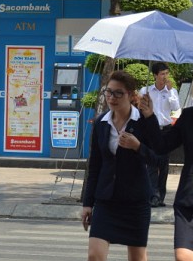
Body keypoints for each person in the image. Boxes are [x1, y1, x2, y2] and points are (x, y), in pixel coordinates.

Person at [81, 70, 160, 261]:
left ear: (132, 95)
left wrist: (138, 146)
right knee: (94, 255)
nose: (112, 98)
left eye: (118, 93)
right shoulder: (101, 123)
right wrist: (87, 203)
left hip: (136, 202)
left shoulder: (144, 121)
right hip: (106, 200)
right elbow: (95, 167)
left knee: (137, 257)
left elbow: (158, 159)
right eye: (109, 92)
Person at [146, 64, 193, 261]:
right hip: (188, 203)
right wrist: (150, 116)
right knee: (183, 257)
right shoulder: (189, 115)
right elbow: (162, 146)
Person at [139, 62, 180, 207]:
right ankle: (153, 195)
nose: (165, 77)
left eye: (166, 73)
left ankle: (160, 196)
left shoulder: (172, 91)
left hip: (166, 130)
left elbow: (176, 107)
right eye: (162, 74)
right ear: (155, 75)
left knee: (163, 165)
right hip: (151, 130)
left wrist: (169, 92)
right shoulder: (146, 90)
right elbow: (139, 109)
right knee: (151, 162)